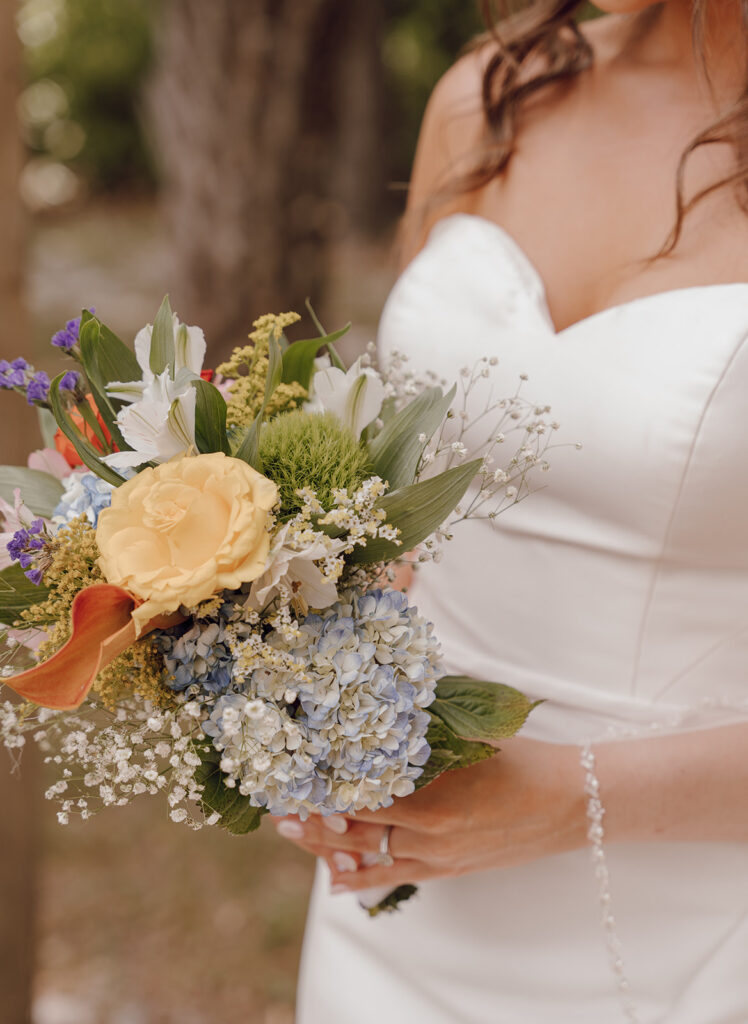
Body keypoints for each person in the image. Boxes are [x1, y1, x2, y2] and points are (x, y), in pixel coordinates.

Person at [279, 2, 748, 1020]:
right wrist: (297, 679)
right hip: (398, 921)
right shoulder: (491, 92)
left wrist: (572, 797)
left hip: (701, 939)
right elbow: (403, 492)